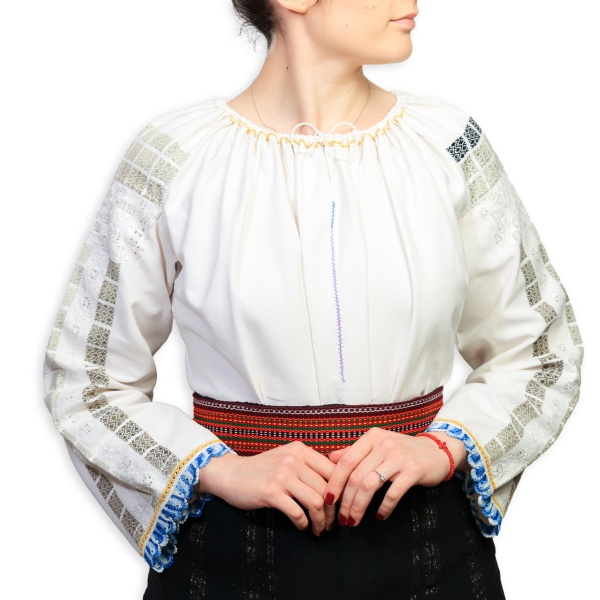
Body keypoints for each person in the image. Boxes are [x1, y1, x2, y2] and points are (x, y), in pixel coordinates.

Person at [43, 1, 583, 598]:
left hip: (431, 554)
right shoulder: (177, 157)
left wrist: (440, 447)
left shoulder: (448, 145)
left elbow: (540, 352)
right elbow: (87, 378)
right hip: (228, 559)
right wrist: (219, 466)